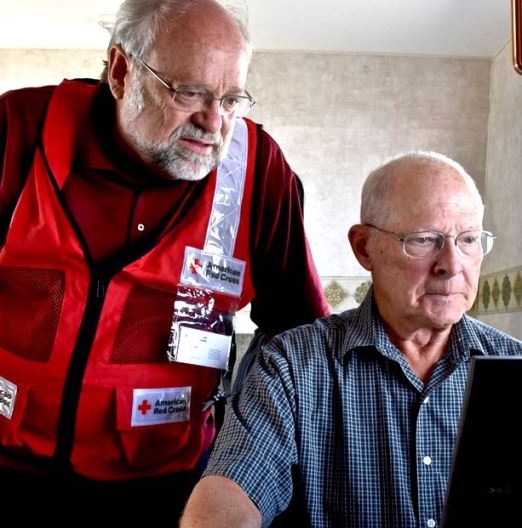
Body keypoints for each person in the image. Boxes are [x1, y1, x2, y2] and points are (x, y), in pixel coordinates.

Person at [0, 0, 329, 514]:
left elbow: (298, 338)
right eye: (189, 93)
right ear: (121, 72)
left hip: (169, 488)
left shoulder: (260, 171)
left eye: (230, 99)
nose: (214, 121)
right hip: (10, 467)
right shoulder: (18, 128)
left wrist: (247, 460)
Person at [180, 151, 522, 528]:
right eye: (424, 240)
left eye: (469, 239)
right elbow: (235, 486)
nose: (452, 264)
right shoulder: (292, 364)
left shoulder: (513, 365)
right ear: (364, 247)